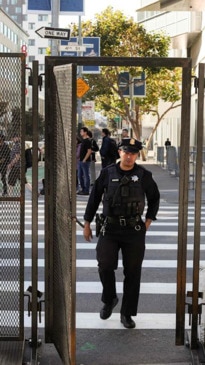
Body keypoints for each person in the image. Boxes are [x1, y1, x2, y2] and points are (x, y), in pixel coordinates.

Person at [83, 138, 160, 329]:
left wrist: (148, 221)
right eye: (126, 152)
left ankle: (126, 313)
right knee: (105, 265)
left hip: (134, 231)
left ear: (137, 155)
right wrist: (87, 222)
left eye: (133, 153)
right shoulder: (107, 173)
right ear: (119, 152)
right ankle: (109, 299)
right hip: (110, 229)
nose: (129, 156)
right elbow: (94, 198)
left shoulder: (144, 175)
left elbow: (154, 198)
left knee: (133, 273)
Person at [77, 127, 92, 195]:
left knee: (86, 175)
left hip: (85, 161)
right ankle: (83, 189)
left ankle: (86, 190)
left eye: (81, 131)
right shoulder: (83, 141)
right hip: (80, 161)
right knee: (79, 175)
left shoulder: (87, 141)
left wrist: (84, 159)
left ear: (85, 132)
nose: (80, 133)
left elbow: (89, 151)